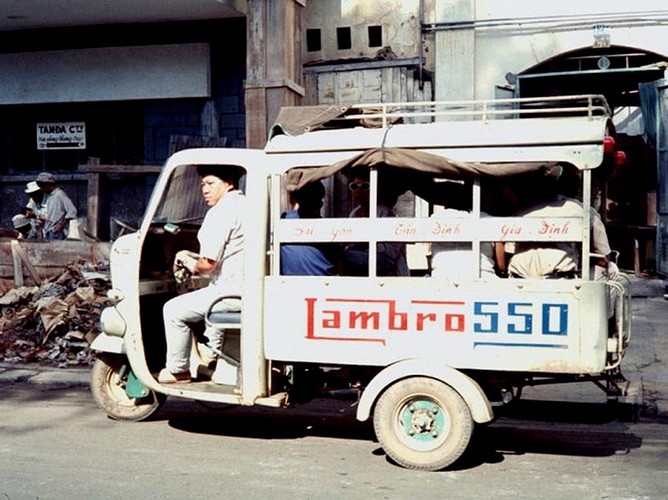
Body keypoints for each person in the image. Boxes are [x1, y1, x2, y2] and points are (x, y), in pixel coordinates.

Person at [158, 165, 245, 384]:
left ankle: (178, 370)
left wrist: (185, 259)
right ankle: (210, 359)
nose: (205, 190)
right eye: (203, 185)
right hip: (244, 288)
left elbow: (207, 266)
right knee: (207, 297)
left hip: (231, 292)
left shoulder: (221, 212)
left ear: (229, 183)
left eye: (211, 183)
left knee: (173, 310)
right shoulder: (247, 205)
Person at [344, 170, 408, 276]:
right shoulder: (355, 213)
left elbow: (391, 252)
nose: (359, 191)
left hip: (387, 270)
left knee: (348, 257)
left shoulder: (385, 212)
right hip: (361, 267)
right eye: (354, 187)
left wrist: (365, 242)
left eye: (365, 186)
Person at [280, 181, 343, 276]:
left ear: (296, 199)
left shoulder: (284, 220)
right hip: (323, 284)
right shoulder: (326, 228)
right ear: (319, 204)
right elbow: (340, 263)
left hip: (289, 284)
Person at [429, 207, 498, 279]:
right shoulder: (487, 218)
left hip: (440, 278)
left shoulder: (435, 218)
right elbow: (501, 264)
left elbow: (429, 257)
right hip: (485, 278)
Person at [34, 172, 77, 240]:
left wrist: (61, 225)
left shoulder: (60, 194)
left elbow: (72, 211)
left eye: (42, 187)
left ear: (47, 185)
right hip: (49, 230)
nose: (41, 189)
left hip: (56, 231)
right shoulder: (50, 196)